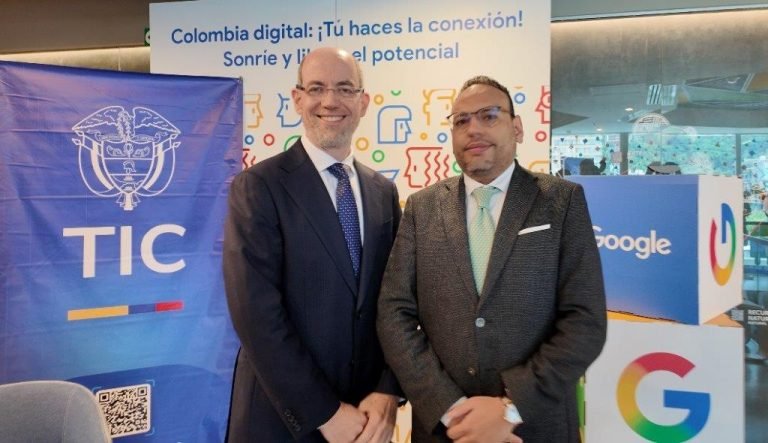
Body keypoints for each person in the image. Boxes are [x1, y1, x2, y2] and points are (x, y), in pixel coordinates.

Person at [377, 75, 607, 443]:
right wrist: (451, 409)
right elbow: (393, 312)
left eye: (489, 116)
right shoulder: (422, 207)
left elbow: (585, 321)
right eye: (461, 121)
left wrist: (511, 408)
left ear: (517, 128)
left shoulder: (561, 201)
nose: (474, 129)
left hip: (534, 426)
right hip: (446, 429)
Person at [223, 47, 401, 443]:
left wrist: (388, 389)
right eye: (317, 88)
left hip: (366, 422)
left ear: (363, 102)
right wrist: (324, 412)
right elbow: (255, 314)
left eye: (345, 88)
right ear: (297, 99)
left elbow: (396, 303)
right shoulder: (259, 186)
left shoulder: (383, 193)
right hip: (281, 422)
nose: (330, 101)